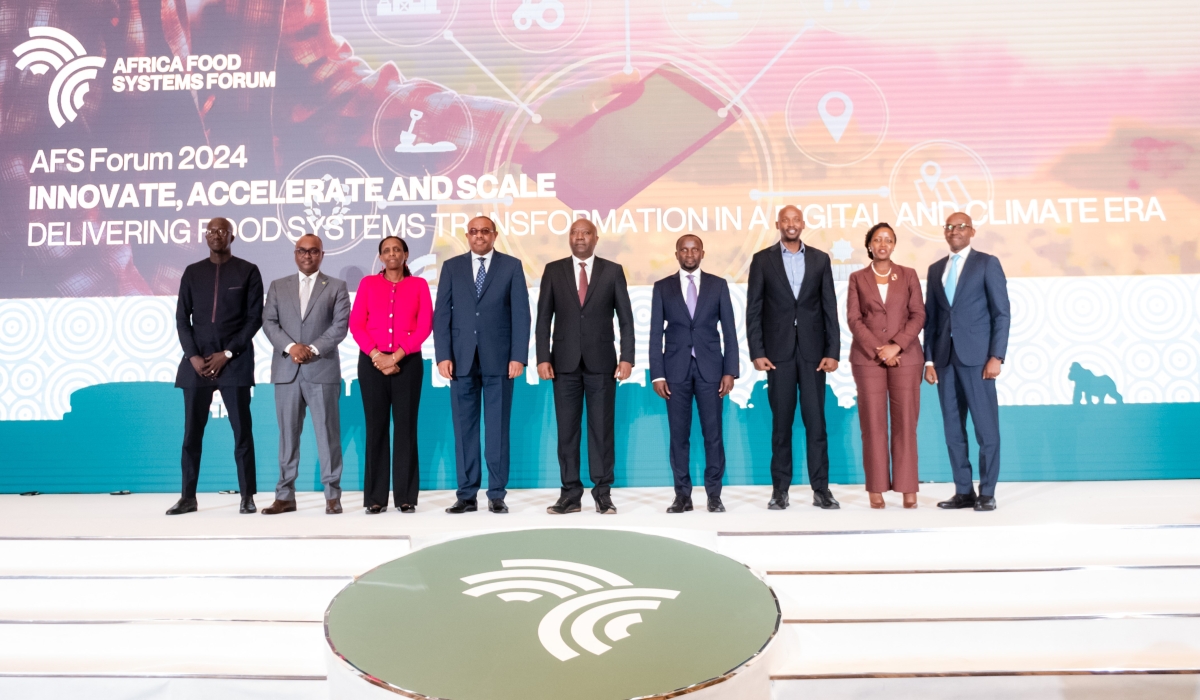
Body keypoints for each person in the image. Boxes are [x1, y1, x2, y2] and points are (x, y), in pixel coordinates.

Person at [536, 219, 635, 515]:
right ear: (569, 238)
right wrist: (543, 357)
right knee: (567, 431)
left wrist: (627, 357)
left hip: (602, 364)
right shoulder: (553, 270)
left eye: (585, 233)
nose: (579, 237)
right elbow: (543, 318)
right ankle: (570, 494)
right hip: (563, 364)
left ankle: (603, 493)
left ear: (596, 238)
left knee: (601, 430)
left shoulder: (612, 271)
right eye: (575, 233)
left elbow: (626, 319)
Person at [746, 205, 841, 510]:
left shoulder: (820, 259)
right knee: (781, 424)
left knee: (816, 424)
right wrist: (757, 352)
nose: (790, 224)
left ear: (802, 224)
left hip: (815, 355)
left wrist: (833, 351)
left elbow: (830, 309)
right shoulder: (762, 260)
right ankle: (780, 490)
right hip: (778, 355)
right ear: (778, 224)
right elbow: (754, 310)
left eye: (795, 220)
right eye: (785, 220)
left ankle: (821, 489)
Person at [167, 217, 263, 515]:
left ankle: (247, 496)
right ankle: (188, 497)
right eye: (210, 231)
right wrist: (194, 356)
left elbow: (253, 319)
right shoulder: (193, 272)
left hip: (233, 363)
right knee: (191, 435)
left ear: (231, 236)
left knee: (242, 433)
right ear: (205, 236)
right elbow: (183, 319)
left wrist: (229, 353)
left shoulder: (247, 270)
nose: (216, 235)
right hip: (197, 363)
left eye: (221, 231)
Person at [435, 217, 531, 515]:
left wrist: (518, 356)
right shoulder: (452, 267)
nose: (479, 236)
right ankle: (466, 494)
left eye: (485, 231)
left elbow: (521, 315)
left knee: (498, 428)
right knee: (465, 429)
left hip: (500, 360)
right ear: (467, 236)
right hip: (461, 359)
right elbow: (441, 315)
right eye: (474, 232)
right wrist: (443, 355)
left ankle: (497, 493)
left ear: (495, 235)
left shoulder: (511, 266)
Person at [924, 212, 1011, 512]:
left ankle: (987, 492)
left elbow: (1002, 313)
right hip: (945, 361)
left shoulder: (987, 263)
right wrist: (929, 361)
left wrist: (996, 356)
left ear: (972, 231)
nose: (954, 231)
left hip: (978, 360)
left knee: (986, 429)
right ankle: (963, 491)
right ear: (944, 232)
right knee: (952, 429)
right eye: (949, 227)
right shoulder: (936, 270)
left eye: (960, 226)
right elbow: (932, 319)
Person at [260, 234, 351, 515]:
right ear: (295, 253)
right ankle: (285, 496)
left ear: (322, 254)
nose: (308, 256)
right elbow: (269, 322)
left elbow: (339, 326)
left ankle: (332, 496)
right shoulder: (278, 286)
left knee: (328, 435)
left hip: (321, 370)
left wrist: (310, 349)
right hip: (287, 371)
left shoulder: (336, 287)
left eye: (314, 251)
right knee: (287, 436)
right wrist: (291, 347)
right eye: (302, 251)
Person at [649, 235, 739, 513]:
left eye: (694, 249)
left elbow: (730, 332)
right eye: (684, 250)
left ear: (703, 253)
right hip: (674, 370)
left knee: (713, 435)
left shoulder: (718, 285)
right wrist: (657, 374)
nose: (689, 254)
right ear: (676, 254)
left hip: (711, 370)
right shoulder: (662, 287)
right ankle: (683, 496)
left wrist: (730, 372)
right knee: (679, 436)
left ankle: (714, 495)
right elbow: (654, 335)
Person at [349, 236, 432, 514]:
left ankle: (406, 497)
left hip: (407, 364)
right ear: (380, 257)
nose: (392, 254)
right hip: (371, 363)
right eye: (386, 250)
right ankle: (375, 498)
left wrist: (395, 356)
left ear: (406, 254)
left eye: (397, 249)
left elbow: (424, 326)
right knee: (376, 429)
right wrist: (377, 356)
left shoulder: (418, 285)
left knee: (406, 429)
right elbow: (357, 324)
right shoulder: (368, 284)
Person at [846, 224, 925, 509]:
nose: (883, 244)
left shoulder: (908, 275)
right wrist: (880, 351)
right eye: (877, 239)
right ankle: (876, 488)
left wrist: (897, 346)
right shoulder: (857, 278)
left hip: (906, 357)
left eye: (888, 240)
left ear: (894, 245)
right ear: (869, 245)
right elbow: (854, 319)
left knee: (905, 424)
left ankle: (907, 488)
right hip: (868, 359)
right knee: (873, 425)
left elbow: (918, 314)